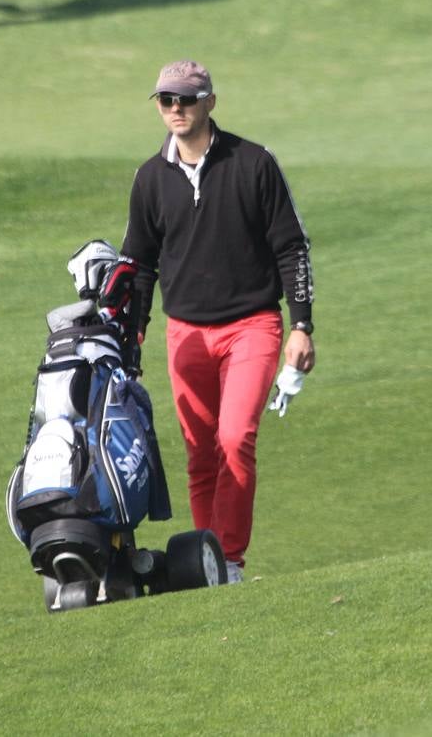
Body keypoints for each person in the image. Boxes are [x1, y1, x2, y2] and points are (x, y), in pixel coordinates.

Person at [121, 60, 315, 585]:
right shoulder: (149, 179)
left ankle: (229, 562)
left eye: (186, 99)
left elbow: (291, 247)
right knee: (200, 455)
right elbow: (138, 265)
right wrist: (130, 338)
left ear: (210, 101)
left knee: (234, 439)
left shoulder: (253, 163)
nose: (176, 109)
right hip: (185, 332)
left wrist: (302, 326)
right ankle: (204, 567)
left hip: (252, 325)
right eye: (166, 100)